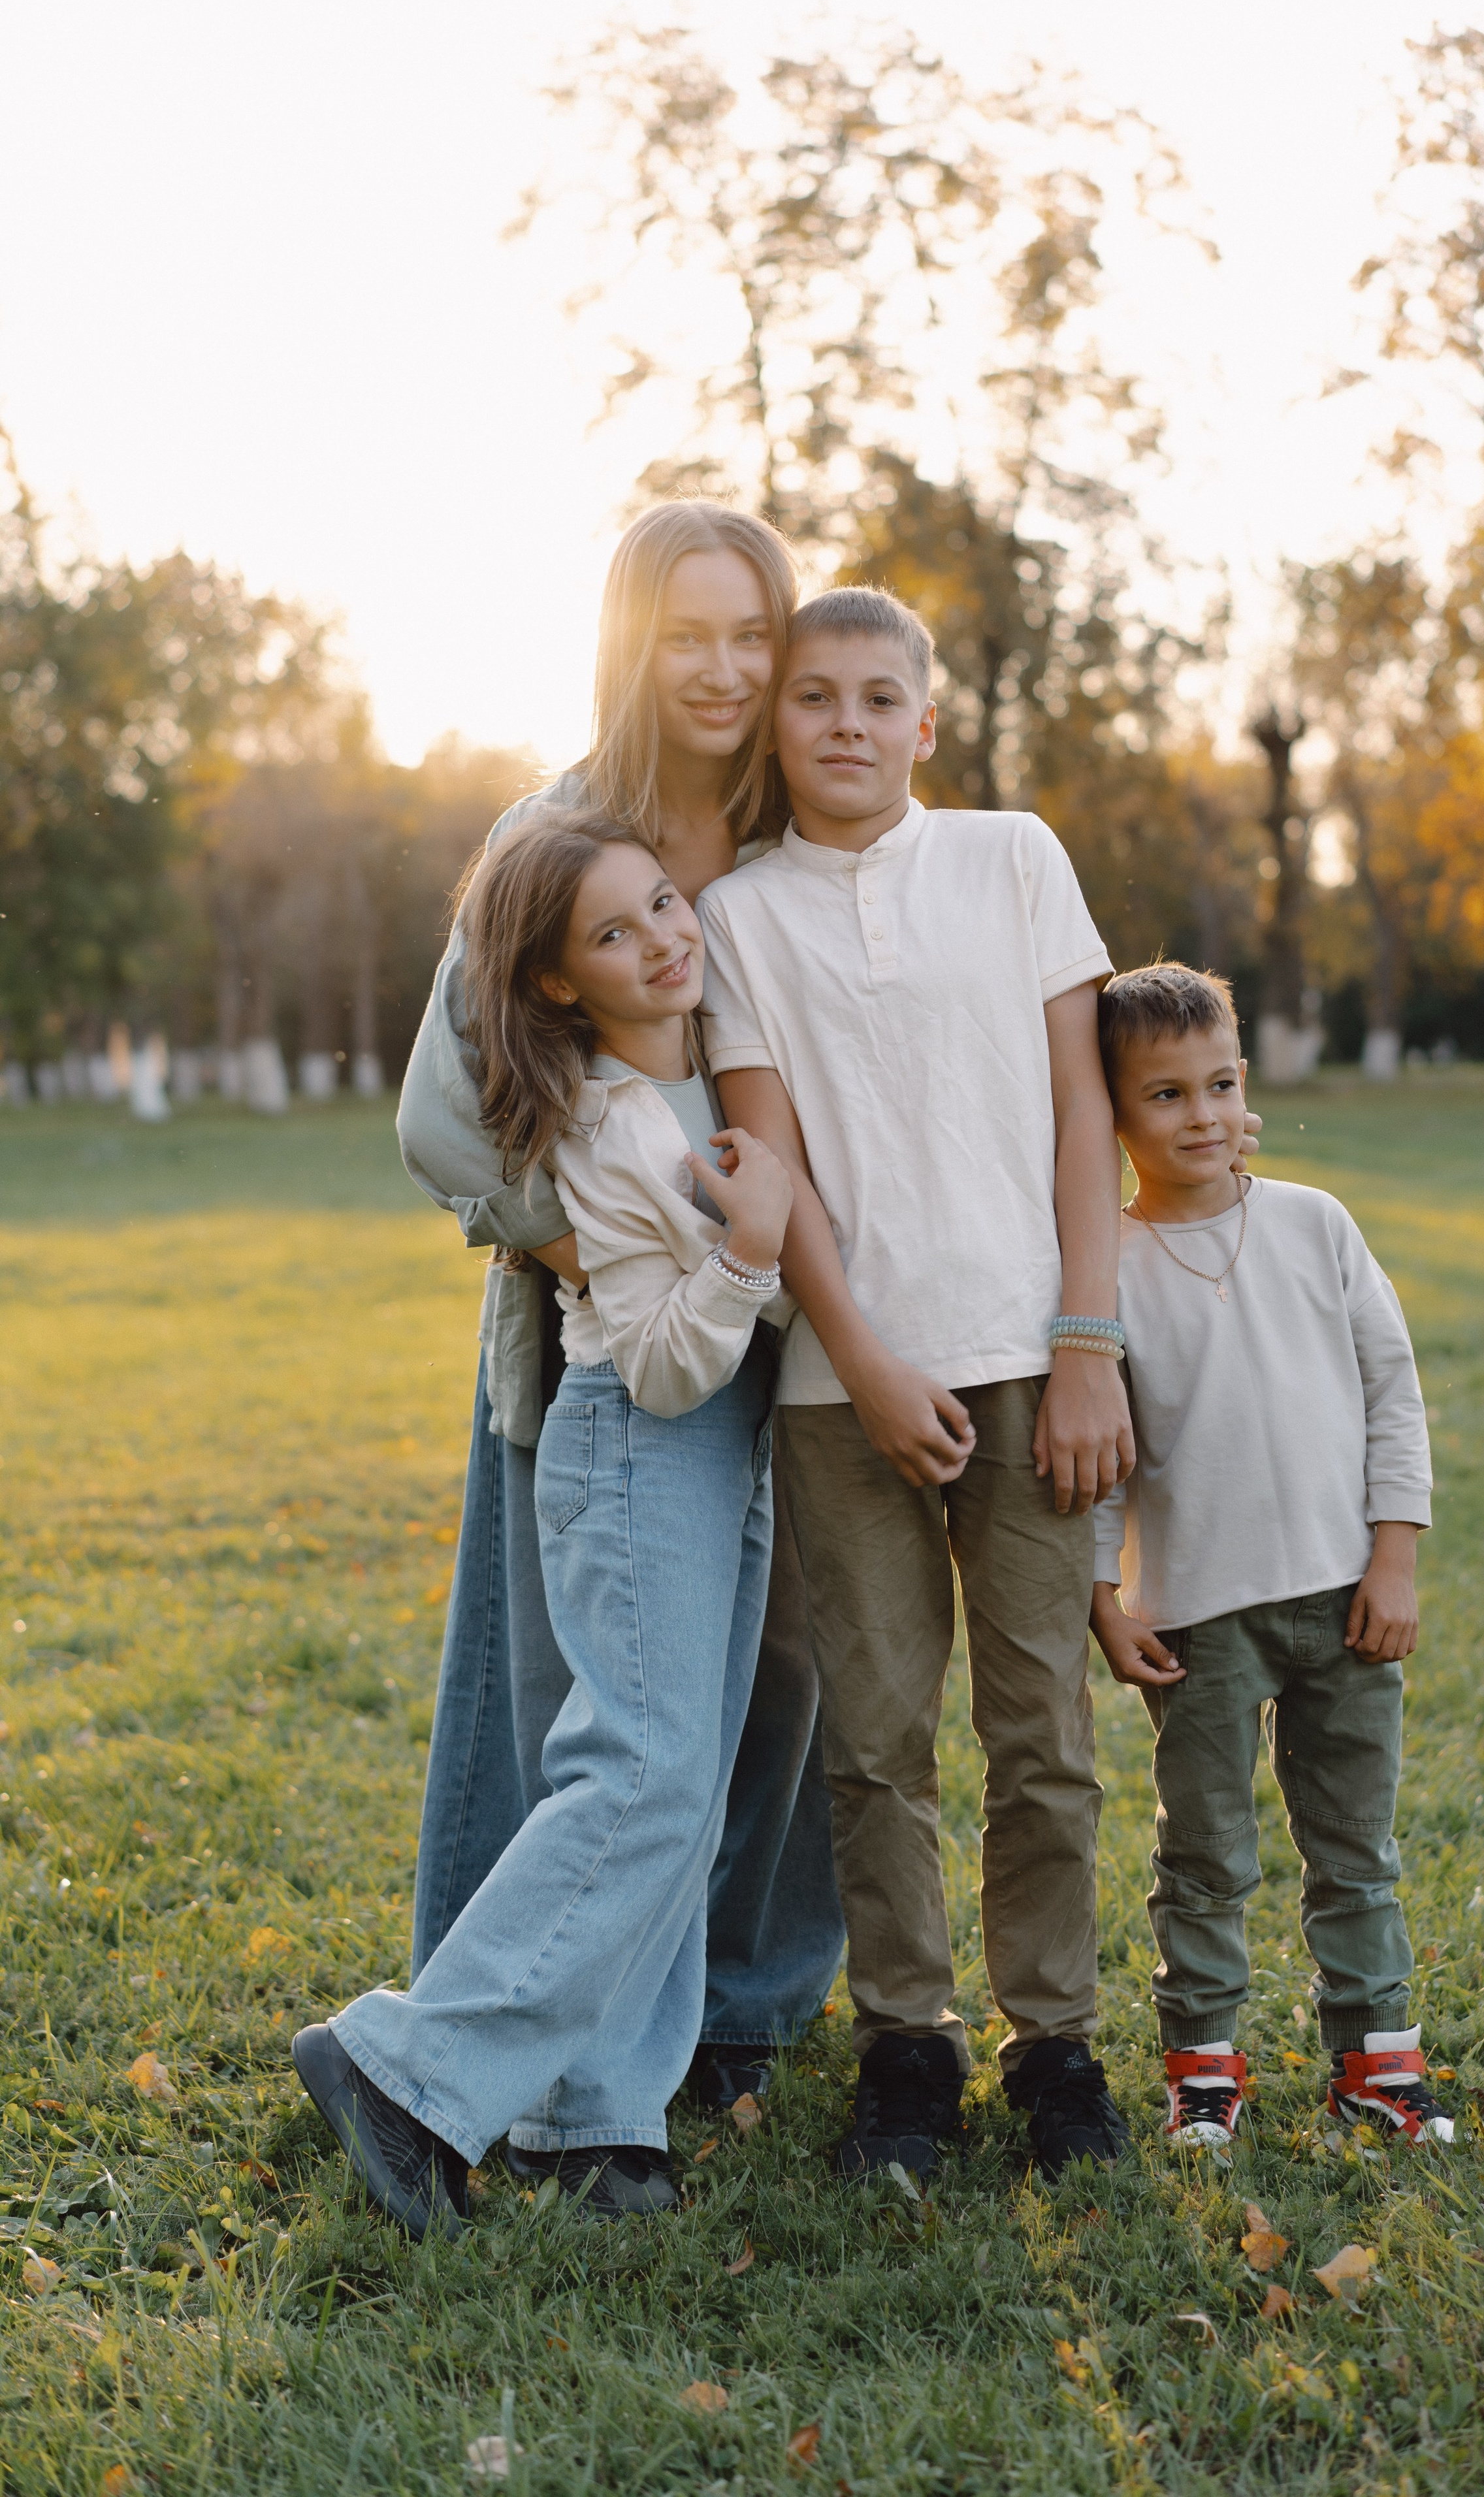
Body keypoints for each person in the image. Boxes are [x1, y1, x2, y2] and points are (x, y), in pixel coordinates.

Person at [396, 502, 843, 2114]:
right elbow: (442, 1123)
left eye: (751, 633)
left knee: (780, 1673)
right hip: (609, 1335)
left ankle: (743, 2005)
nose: (723, 670)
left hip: (789, 1331)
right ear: (628, 644)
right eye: (686, 634)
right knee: (590, 1689)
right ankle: (538, 2032)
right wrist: (589, 1242)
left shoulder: (808, 822)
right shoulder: (558, 831)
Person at [295, 815, 797, 2235]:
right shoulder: (621, 1127)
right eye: (614, 935)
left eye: (661, 904)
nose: (662, 939)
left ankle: (590, 2111)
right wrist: (753, 1250)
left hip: (712, 1450)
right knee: (637, 1773)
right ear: (562, 984)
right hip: (639, 1444)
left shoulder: (687, 1082)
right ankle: (402, 2067)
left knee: (679, 1789)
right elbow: (656, 1359)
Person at [699, 586, 1137, 2183]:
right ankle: (906, 2044)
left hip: (1031, 1361)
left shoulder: (1012, 857)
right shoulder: (738, 912)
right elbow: (771, 1157)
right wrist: (866, 1362)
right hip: (843, 1386)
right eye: (811, 697)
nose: (842, 725)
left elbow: (1083, 1118)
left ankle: (1054, 2046)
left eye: (878, 699)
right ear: (780, 721)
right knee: (873, 1737)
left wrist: (1086, 1343)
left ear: (926, 724)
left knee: (1040, 1729)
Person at [1088, 961, 1451, 2148]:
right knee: (1204, 1853)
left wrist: (1392, 1557)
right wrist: (1105, 1595)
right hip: (1197, 1618)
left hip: (1345, 1597)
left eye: (1221, 1083)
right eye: (1167, 1095)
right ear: (1114, 1114)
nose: (1203, 1115)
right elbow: (1098, 1450)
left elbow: (1392, 1391)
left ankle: (1376, 2067)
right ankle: (1203, 2072)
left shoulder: (1314, 1223)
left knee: (1355, 1844)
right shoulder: (1109, 1266)